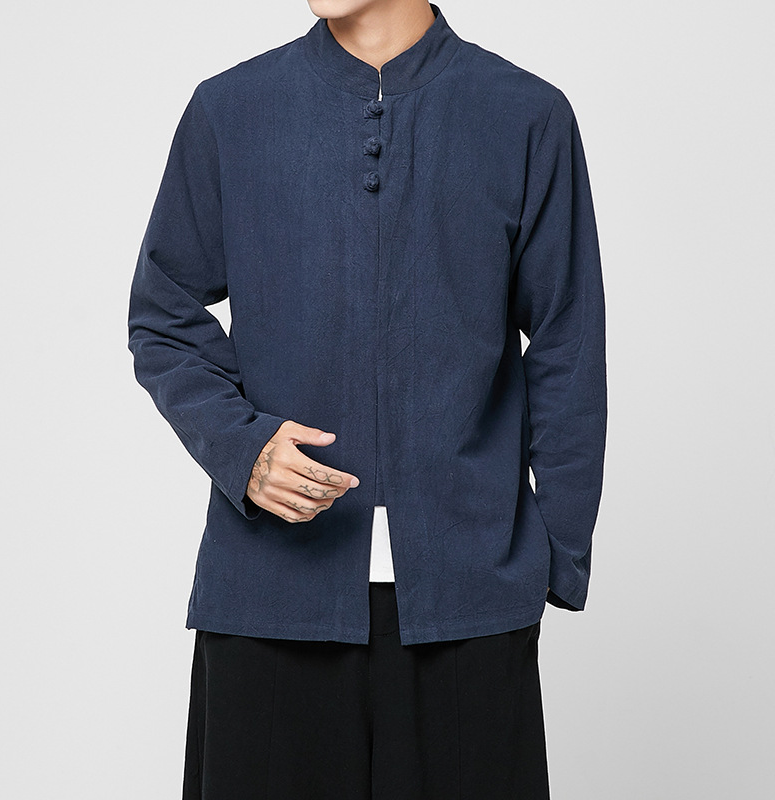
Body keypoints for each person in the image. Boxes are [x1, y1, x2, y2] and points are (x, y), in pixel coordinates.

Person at [127, 1, 607, 797]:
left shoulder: (526, 114)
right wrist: (243, 450)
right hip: (269, 596)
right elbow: (162, 312)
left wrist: (549, 555)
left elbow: (568, 341)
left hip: (470, 597)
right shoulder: (230, 110)